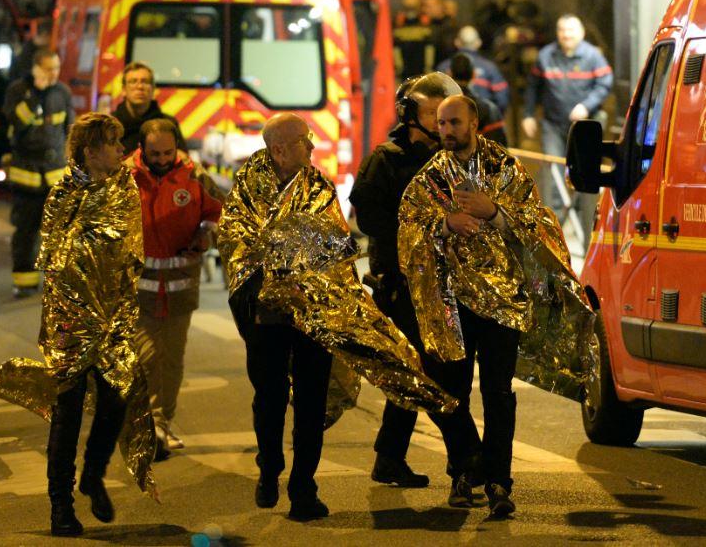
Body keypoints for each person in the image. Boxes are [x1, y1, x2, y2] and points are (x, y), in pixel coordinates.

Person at [218, 113, 454, 522]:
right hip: (269, 314)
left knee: (311, 401)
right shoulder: (249, 187)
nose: (311, 146)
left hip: (317, 311)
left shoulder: (318, 185)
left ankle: (303, 488)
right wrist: (275, 275)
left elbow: (335, 241)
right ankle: (270, 467)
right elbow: (236, 241)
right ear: (279, 149)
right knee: (269, 398)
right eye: (304, 140)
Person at [399, 95, 595, 518]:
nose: (447, 131)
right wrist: (443, 224)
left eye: (454, 122)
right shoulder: (431, 177)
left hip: (504, 303)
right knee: (451, 391)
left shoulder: (506, 170)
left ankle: (500, 484)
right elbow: (408, 228)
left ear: (474, 123)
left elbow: (539, 224)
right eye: (441, 124)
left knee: (498, 395)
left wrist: (496, 213)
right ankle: (464, 473)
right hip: (451, 302)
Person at [0, 112, 156, 537]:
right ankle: (60, 505)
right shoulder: (64, 193)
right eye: (114, 144)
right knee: (67, 412)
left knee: (117, 398)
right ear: (91, 151)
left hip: (114, 314)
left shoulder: (124, 189)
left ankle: (93, 475)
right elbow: (54, 255)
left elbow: (132, 248)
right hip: (72, 318)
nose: (122, 150)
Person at [350, 72, 482, 496]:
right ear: (412, 116)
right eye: (434, 114)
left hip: (449, 282)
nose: (444, 121)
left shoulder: (448, 160)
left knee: (415, 372)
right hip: (403, 284)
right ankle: (469, 463)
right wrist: (427, 227)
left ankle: (389, 456)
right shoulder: (385, 161)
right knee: (435, 374)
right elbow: (371, 221)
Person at [129, 118, 222, 461]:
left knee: (172, 359)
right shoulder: (125, 177)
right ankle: (150, 427)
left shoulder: (195, 175)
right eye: (155, 153)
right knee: (146, 359)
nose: (163, 158)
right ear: (142, 149)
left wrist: (204, 234)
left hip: (181, 285)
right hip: (140, 290)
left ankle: (162, 422)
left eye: (168, 152)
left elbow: (216, 211)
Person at [521, 14, 613, 222]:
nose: (566, 35)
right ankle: (555, 226)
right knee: (553, 174)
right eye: (562, 30)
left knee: (585, 175)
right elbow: (532, 87)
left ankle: (585, 225)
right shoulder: (545, 56)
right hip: (553, 124)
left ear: (581, 33)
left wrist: (586, 106)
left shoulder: (592, 57)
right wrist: (528, 115)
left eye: (571, 30)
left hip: (583, 127)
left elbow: (605, 84)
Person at [1, 49, 74, 298]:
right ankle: (25, 282)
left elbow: (69, 130)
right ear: (36, 69)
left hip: (56, 176)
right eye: (48, 69)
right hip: (27, 176)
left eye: (56, 68)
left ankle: (58, 283)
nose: (54, 74)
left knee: (61, 233)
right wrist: (35, 97)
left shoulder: (62, 92)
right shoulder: (18, 91)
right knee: (26, 232)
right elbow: (15, 123)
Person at [113, 61, 188, 153]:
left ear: (153, 89)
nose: (140, 86)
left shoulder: (169, 124)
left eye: (145, 82)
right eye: (133, 81)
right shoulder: (111, 125)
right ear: (124, 89)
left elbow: (183, 160)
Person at [437, 26, 510, 115]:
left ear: (457, 42)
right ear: (478, 43)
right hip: (482, 122)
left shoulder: (442, 67)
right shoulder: (490, 68)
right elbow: (502, 100)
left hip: (451, 121)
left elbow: (435, 99)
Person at [448, 53, 507, 145]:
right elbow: (499, 149)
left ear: (449, 74)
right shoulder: (488, 109)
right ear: (474, 75)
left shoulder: (438, 107)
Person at [393, 0, 434, 79]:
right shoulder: (397, 21)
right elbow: (394, 46)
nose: (411, 0)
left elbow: (431, 46)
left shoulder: (427, 21)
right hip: (403, 74)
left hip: (423, 74)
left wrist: (429, 67)